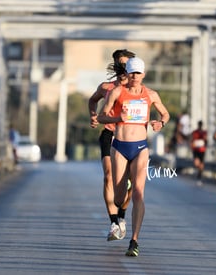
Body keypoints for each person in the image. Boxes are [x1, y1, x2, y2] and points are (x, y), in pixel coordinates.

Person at [98, 57, 170, 257]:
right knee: (119, 198)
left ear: (144, 74)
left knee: (139, 193)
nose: (135, 76)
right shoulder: (117, 92)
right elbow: (101, 116)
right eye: (132, 73)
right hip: (119, 147)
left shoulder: (151, 94)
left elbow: (165, 114)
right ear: (127, 74)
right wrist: (116, 118)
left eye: (138, 73)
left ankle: (134, 240)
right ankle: (124, 191)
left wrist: (160, 123)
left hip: (140, 148)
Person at [88, 49, 135, 241]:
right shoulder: (106, 87)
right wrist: (93, 115)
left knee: (129, 183)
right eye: (121, 64)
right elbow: (92, 101)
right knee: (109, 177)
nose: (124, 68)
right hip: (109, 134)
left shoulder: (138, 89)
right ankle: (114, 222)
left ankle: (122, 216)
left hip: (131, 137)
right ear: (115, 65)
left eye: (128, 64)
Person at [190, 120, 207, 186]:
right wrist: (192, 145)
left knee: (201, 165)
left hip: (202, 150)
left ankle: (199, 178)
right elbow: (192, 139)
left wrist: (205, 146)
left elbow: (206, 140)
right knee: (196, 163)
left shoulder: (204, 132)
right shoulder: (195, 132)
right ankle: (198, 173)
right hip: (196, 149)